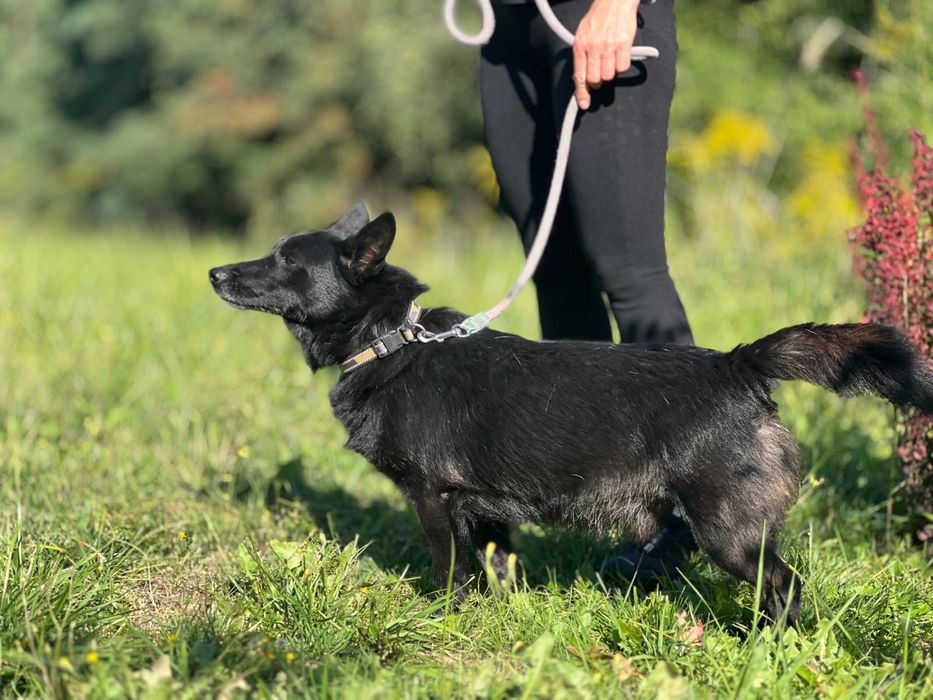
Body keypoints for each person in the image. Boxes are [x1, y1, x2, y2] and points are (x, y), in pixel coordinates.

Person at [479, 0, 696, 579]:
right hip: (507, 34)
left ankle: (685, 508)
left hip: (597, 13)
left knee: (631, 275)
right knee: (558, 279)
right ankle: (606, 498)